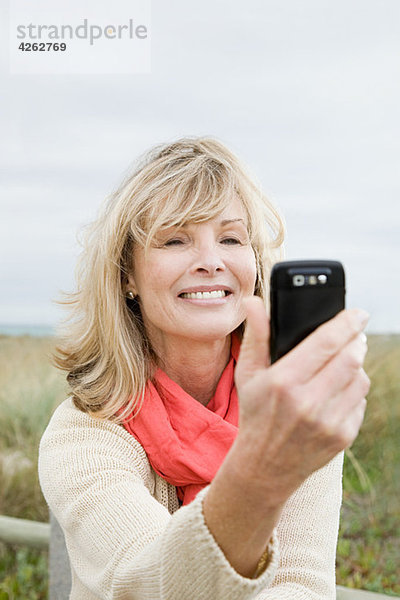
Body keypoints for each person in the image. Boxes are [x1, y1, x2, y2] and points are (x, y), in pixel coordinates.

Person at [39, 137, 370, 600]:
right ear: (127, 274)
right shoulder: (84, 434)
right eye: (175, 239)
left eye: (231, 238)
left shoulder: (293, 409)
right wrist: (264, 467)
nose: (211, 263)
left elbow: (302, 586)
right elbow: (147, 584)